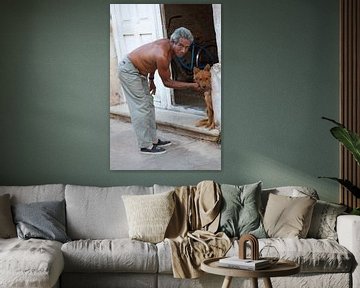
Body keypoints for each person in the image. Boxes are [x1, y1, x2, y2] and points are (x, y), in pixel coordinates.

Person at [118, 27, 200, 155]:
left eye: (187, 47)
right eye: (180, 46)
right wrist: (192, 86)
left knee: (149, 104)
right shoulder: (162, 54)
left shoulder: (168, 47)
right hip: (129, 71)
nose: (183, 50)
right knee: (141, 107)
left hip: (139, 72)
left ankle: (153, 140)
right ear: (173, 42)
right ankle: (145, 145)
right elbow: (167, 83)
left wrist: (151, 79)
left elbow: (152, 63)